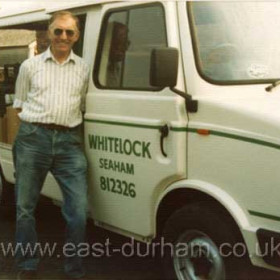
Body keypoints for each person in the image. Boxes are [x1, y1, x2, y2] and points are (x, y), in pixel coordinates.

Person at [12, 11, 89, 280]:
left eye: (69, 32)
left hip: (70, 142)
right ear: (48, 33)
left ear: (76, 36)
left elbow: (82, 105)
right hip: (34, 139)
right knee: (25, 208)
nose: (63, 37)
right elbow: (19, 104)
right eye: (58, 31)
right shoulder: (29, 66)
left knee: (78, 211)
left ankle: (74, 270)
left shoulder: (84, 68)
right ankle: (28, 264)